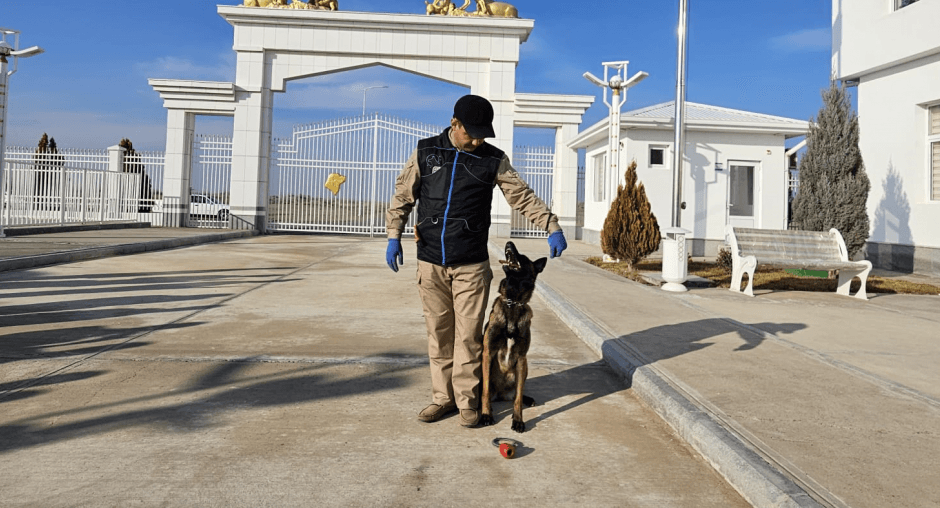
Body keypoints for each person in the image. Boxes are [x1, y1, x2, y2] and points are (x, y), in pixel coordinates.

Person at [385, 94, 568, 427]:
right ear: (454, 124)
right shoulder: (426, 152)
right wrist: (393, 235)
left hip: (471, 264)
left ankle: (467, 402)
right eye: (472, 134)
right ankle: (443, 399)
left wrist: (551, 225)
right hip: (430, 262)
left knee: (469, 336)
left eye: (483, 135)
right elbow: (403, 195)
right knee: (439, 334)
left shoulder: (493, 159)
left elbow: (521, 196)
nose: (477, 141)